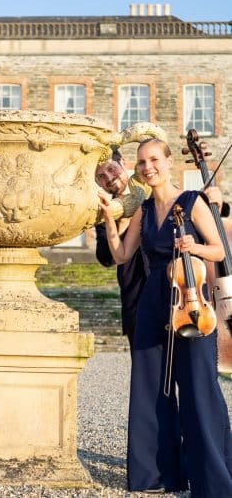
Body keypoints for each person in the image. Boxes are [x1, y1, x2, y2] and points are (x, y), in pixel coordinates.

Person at [98, 138, 232, 496]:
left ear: (168, 163)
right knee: (149, 385)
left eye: (154, 159)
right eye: (141, 162)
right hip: (152, 301)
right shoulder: (143, 209)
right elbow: (122, 254)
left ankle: (211, 480)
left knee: (197, 387)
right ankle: (157, 474)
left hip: (189, 298)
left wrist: (194, 247)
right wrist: (109, 219)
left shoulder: (193, 201)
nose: (147, 167)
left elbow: (219, 248)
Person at [95, 151, 148, 352]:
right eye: (100, 176)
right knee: (145, 374)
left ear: (123, 162)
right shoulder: (103, 212)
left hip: (171, 293)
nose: (108, 178)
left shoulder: (154, 192)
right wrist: (122, 221)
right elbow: (106, 258)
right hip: (136, 299)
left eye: (111, 169)